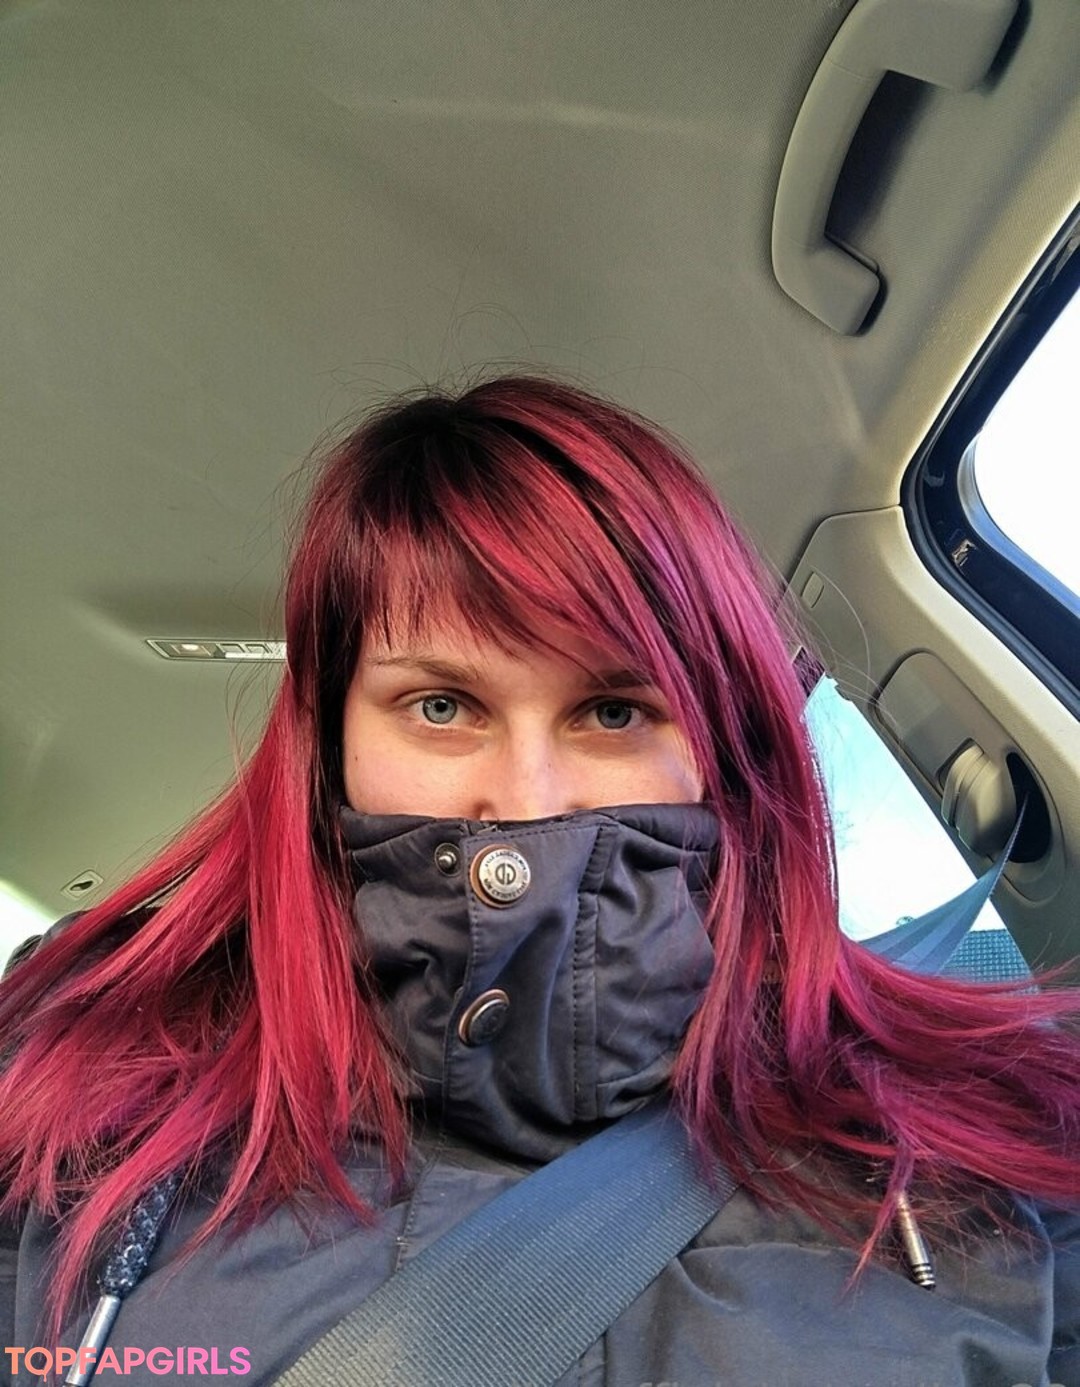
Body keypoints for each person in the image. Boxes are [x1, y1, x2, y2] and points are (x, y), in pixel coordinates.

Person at [1, 374, 1078, 1386]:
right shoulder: (75, 1063)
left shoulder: (992, 1129)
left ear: (722, 744)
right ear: (329, 741)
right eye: (440, 706)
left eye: (613, 711)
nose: (527, 799)